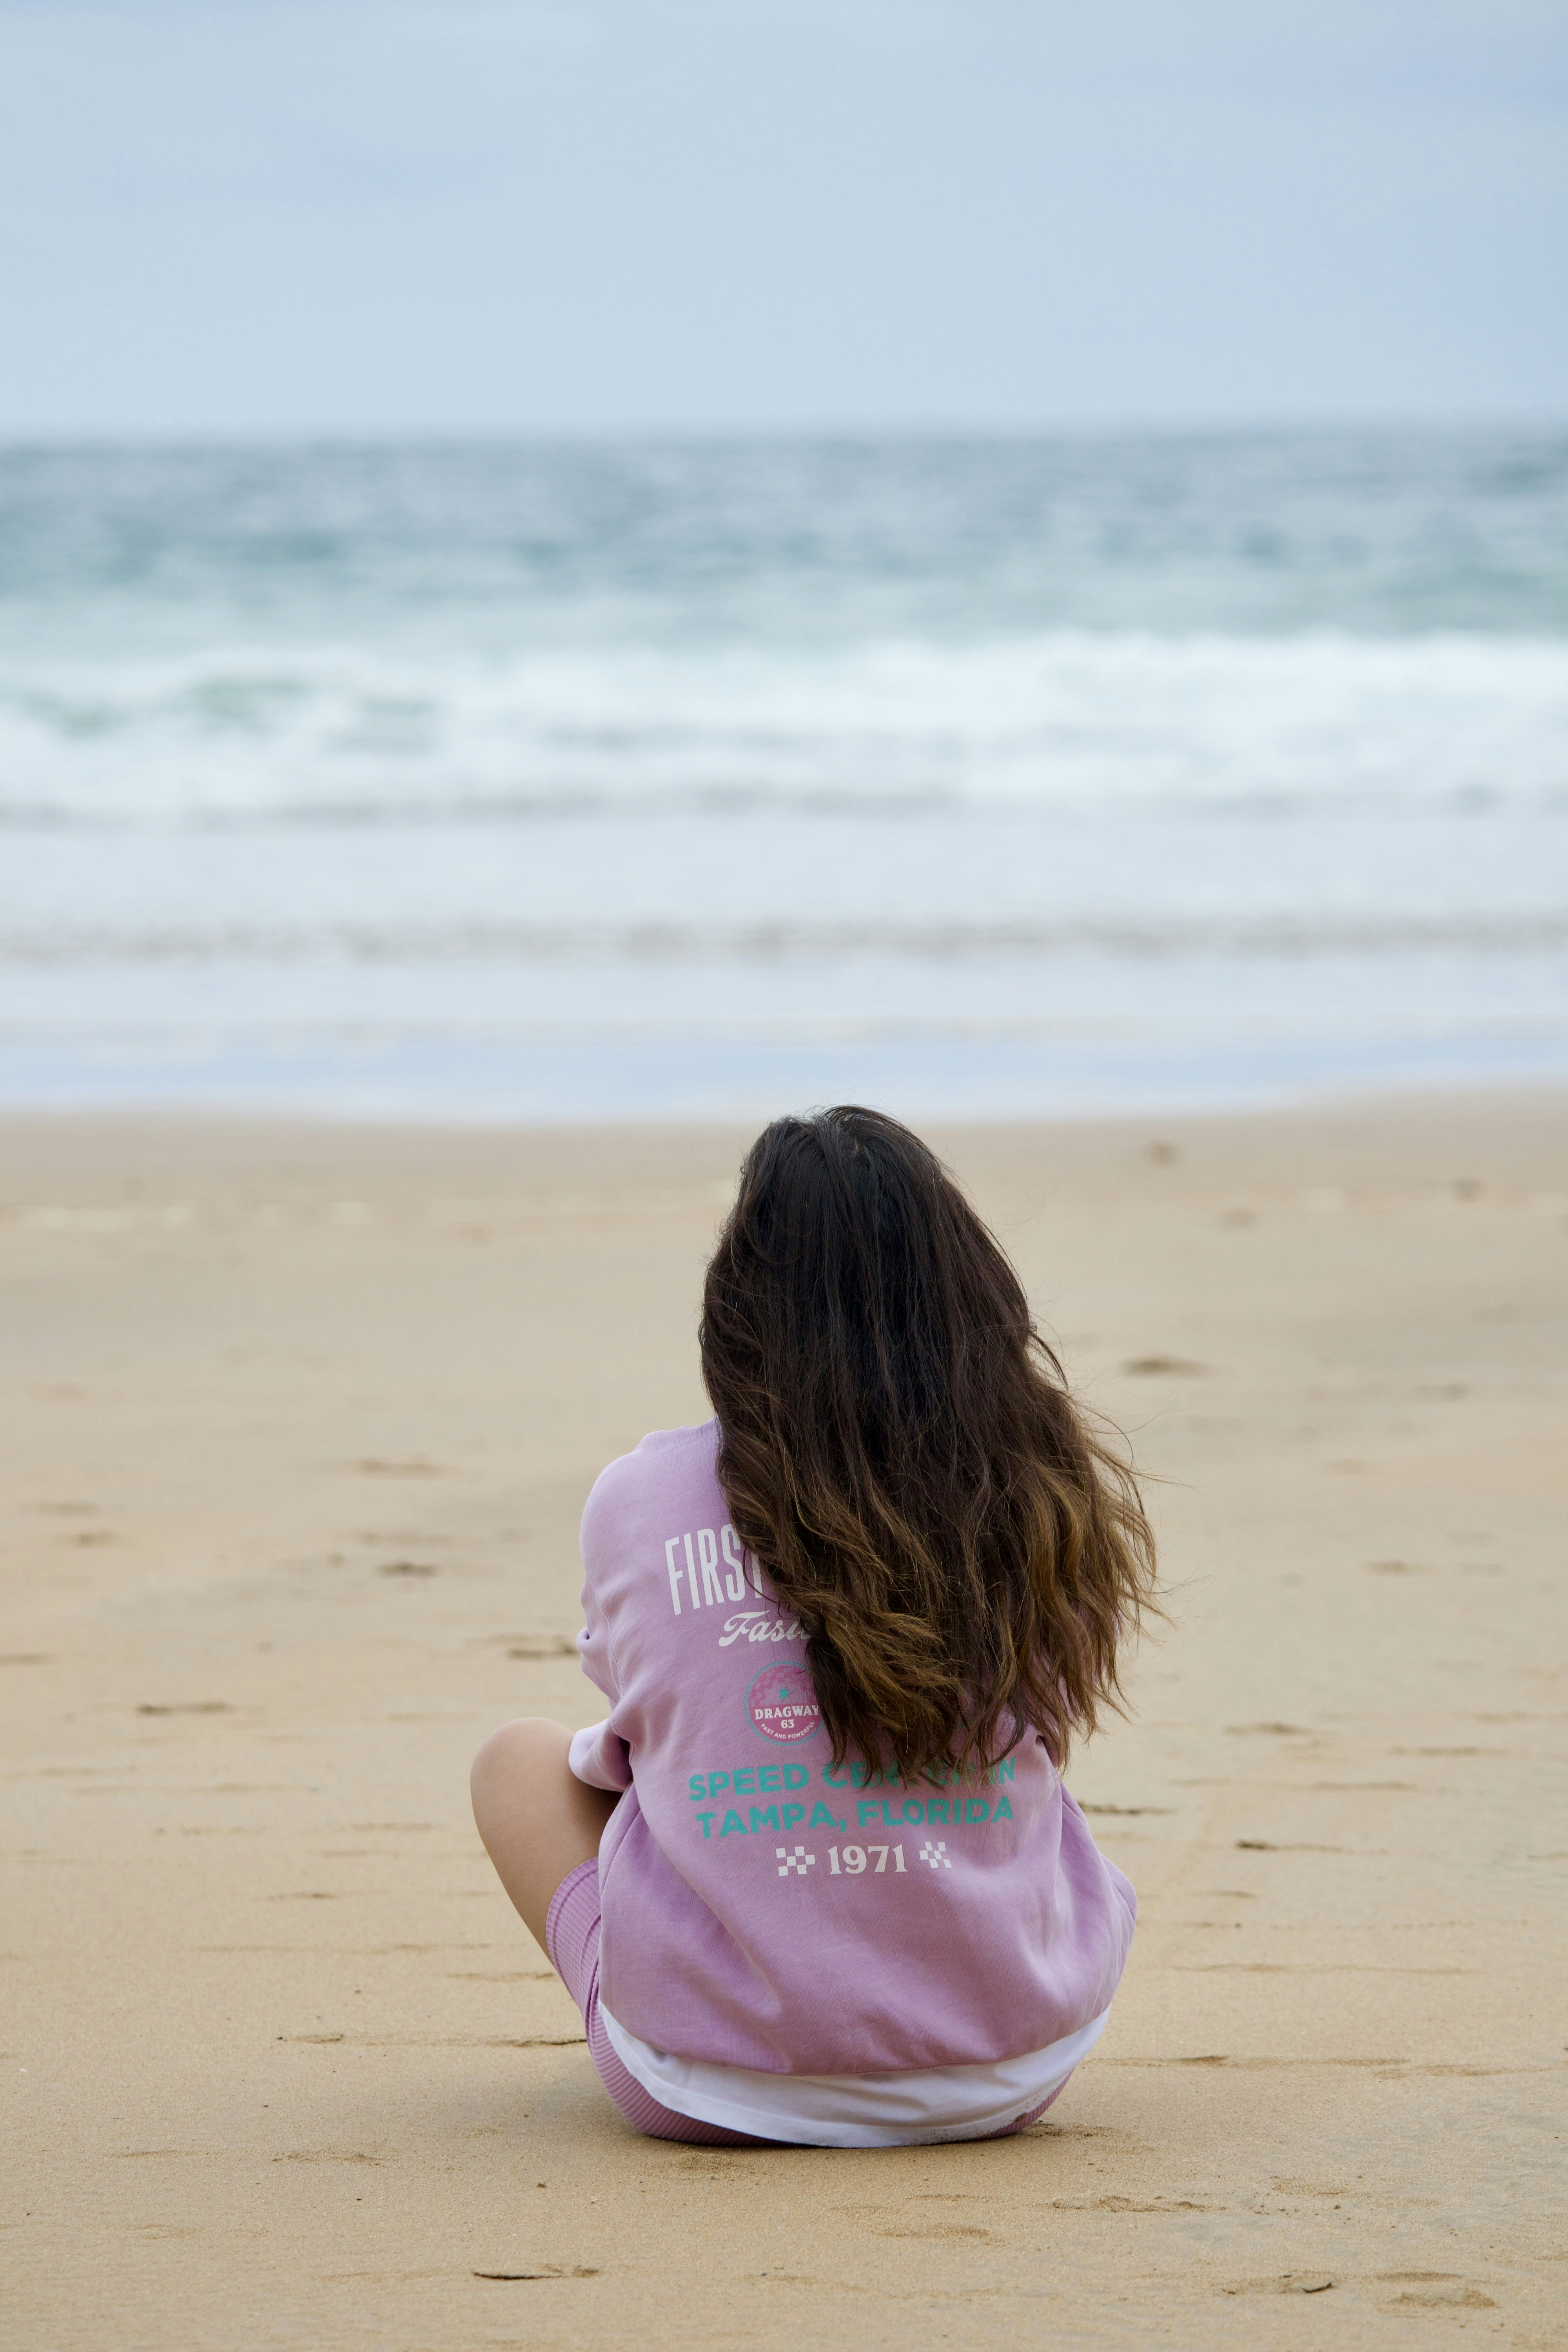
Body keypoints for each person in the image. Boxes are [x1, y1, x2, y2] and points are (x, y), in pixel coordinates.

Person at [471, 1106, 1156, 2147]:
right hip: (1009, 2066)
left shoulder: (641, 1496)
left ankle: (702, 2004)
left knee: (520, 1764)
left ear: (736, 1306)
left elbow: (642, 1726)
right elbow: (1051, 1722)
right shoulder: (1027, 1481)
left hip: (705, 2091)